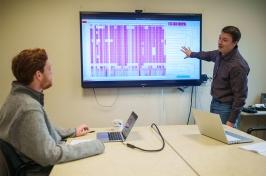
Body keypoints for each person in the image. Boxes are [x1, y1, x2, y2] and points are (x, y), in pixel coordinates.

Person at [0, 48, 105, 175]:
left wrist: (72, 131)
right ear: (39, 75)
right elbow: (50, 155)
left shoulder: (16, 97)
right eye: (49, 69)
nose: (52, 73)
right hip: (37, 170)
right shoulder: (28, 107)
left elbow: (41, 129)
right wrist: (95, 146)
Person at [181, 26, 250, 128]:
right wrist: (192, 54)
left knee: (224, 139)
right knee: (215, 136)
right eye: (219, 38)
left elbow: (240, 97)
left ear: (234, 43)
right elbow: (207, 55)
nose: (220, 42)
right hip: (215, 103)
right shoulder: (220, 54)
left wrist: (231, 121)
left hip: (227, 108)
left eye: (225, 40)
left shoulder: (238, 66)